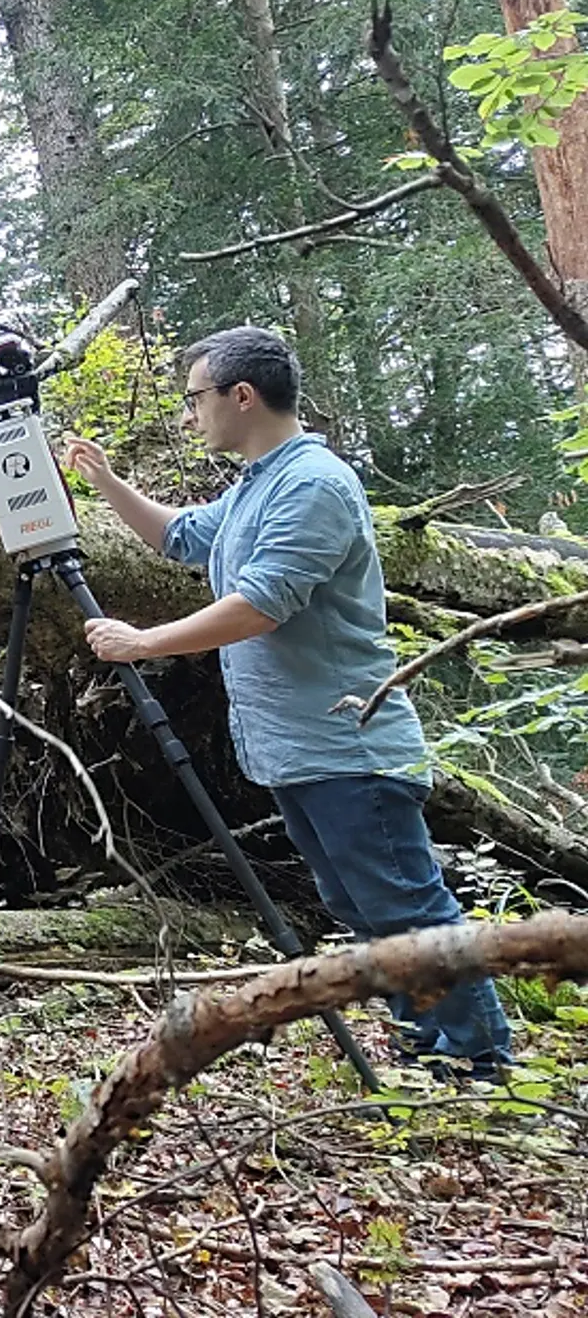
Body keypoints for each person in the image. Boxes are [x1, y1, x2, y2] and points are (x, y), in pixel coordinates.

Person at [60, 325, 513, 1079]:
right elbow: (182, 537)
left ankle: (479, 1059)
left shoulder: (313, 485)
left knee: (404, 906)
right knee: (361, 907)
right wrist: (106, 481)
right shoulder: (258, 484)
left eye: (195, 398)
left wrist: (145, 642)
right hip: (298, 750)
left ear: (242, 396)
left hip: (350, 746)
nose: (188, 414)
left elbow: (261, 605)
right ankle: (429, 1045)